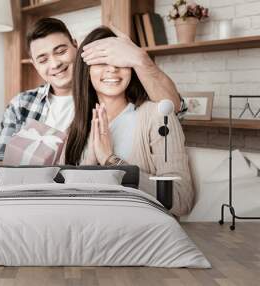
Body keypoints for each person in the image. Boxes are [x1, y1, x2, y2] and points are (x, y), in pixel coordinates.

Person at [0, 17, 184, 166]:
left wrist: (140, 59)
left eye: (61, 51)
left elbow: (173, 109)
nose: (55, 64)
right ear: (35, 65)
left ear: (76, 46)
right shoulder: (22, 104)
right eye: (43, 59)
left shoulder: (109, 93)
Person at [64, 26, 194, 217]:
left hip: (140, 231)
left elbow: (182, 199)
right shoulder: (76, 127)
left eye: (119, 61)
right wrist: (90, 163)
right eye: (101, 61)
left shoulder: (157, 117)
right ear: (86, 71)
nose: (112, 69)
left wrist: (112, 161)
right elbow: (69, 201)